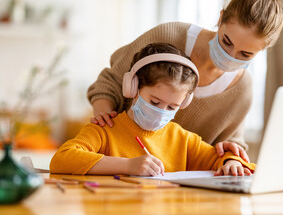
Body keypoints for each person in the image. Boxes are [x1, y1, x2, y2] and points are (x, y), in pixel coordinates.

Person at [87, 0, 283, 161]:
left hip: (179, 185)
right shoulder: (170, 35)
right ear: (220, 19)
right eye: (226, 41)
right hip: (116, 161)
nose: (230, 55)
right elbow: (109, 82)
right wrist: (105, 130)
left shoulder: (242, 89)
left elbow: (233, 142)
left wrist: (230, 156)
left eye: (245, 54)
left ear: (263, 50)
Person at [50, 43, 256, 176]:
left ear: (184, 103)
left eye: (172, 106)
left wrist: (231, 161)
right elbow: (61, 159)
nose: (161, 111)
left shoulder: (183, 140)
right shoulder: (104, 130)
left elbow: (220, 159)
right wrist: (128, 166)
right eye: (155, 102)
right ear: (133, 88)